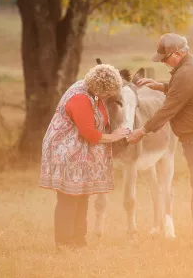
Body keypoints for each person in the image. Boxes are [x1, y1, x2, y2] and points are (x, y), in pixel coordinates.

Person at [127, 33, 193, 250]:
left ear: (178, 53)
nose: (163, 62)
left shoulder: (187, 72)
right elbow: (180, 88)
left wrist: (142, 131)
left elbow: (167, 109)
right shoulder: (190, 65)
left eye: (165, 58)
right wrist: (160, 86)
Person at [39, 64, 130, 250]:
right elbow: (89, 132)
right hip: (65, 151)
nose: (108, 97)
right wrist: (114, 137)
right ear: (100, 89)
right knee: (69, 197)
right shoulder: (80, 97)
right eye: (108, 93)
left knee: (82, 195)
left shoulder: (93, 93)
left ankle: (79, 241)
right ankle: (64, 243)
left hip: (80, 151)